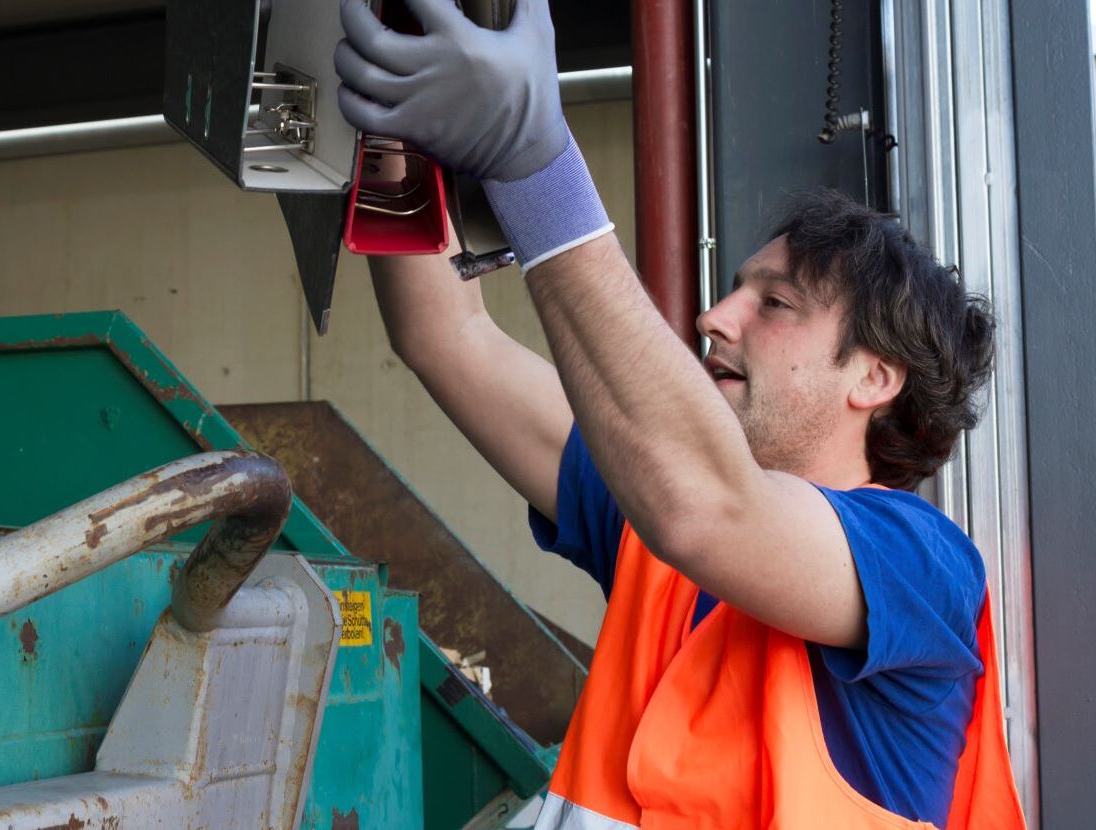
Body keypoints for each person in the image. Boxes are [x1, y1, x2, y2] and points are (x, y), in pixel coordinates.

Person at [334, 0, 1027, 827]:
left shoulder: (919, 565)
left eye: (775, 304)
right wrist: (395, 136)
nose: (714, 317)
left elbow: (707, 510)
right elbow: (446, 337)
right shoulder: (655, 523)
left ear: (875, 377)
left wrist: (533, 164)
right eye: (734, 288)